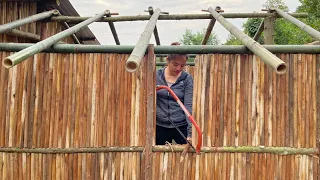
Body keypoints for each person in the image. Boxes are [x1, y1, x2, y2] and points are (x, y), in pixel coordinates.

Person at [156, 42, 193, 147]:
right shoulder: (156, 76)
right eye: (175, 64)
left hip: (181, 125)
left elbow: (188, 106)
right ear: (168, 60)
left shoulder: (187, 79)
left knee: (187, 155)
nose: (178, 69)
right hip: (159, 126)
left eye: (182, 65)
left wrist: (190, 134)